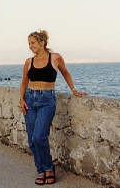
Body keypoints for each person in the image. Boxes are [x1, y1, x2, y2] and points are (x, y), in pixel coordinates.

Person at [19, 30, 88, 185]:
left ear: (42, 42)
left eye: (33, 43)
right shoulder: (28, 61)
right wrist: (21, 99)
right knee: (31, 139)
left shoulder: (55, 58)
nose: (30, 46)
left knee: (39, 137)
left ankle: (49, 168)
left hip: (46, 100)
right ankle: (40, 170)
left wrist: (74, 90)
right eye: (29, 44)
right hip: (30, 99)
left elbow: (65, 73)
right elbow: (24, 81)